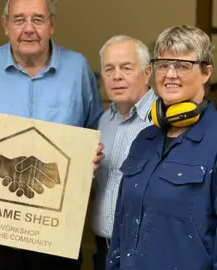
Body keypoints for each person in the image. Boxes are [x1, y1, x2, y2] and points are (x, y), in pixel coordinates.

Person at [0, 0, 104, 269]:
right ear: (5, 25)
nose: (28, 29)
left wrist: (93, 156)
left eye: (38, 19)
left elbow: (95, 131)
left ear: (52, 25)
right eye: (19, 20)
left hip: (56, 224)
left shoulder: (78, 68)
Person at [106, 25, 217, 270]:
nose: (170, 74)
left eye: (182, 65)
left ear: (206, 72)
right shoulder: (144, 140)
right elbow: (121, 230)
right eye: (163, 65)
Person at [90, 35, 157, 270]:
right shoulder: (103, 122)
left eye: (126, 68)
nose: (116, 76)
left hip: (147, 257)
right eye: (109, 69)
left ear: (147, 72)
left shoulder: (164, 122)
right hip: (104, 253)